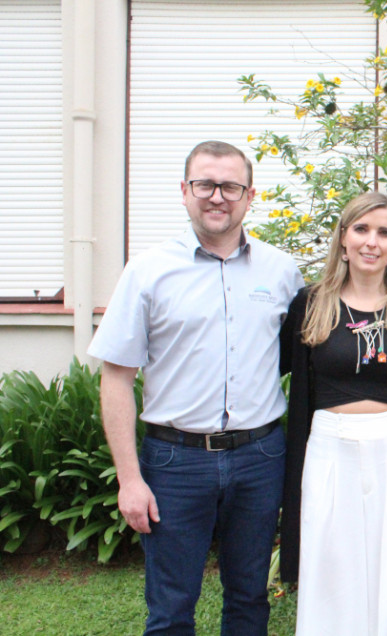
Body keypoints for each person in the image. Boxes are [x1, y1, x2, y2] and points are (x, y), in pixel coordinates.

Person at [88, 140, 304, 635]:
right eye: (205, 184)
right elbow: (117, 378)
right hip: (174, 463)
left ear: (250, 196)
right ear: (184, 191)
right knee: (170, 607)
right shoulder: (148, 271)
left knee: (250, 597)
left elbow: (327, 343)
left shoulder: (282, 272)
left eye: (231, 186)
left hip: (260, 457)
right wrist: (129, 479)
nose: (217, 197)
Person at [279, 191, 387, 634]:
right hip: (330, 447)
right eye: (362, 229)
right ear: (343, 239)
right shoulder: (310, 304)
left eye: (384, 232)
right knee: (331, 568)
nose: (372, 241)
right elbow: (273, 370)